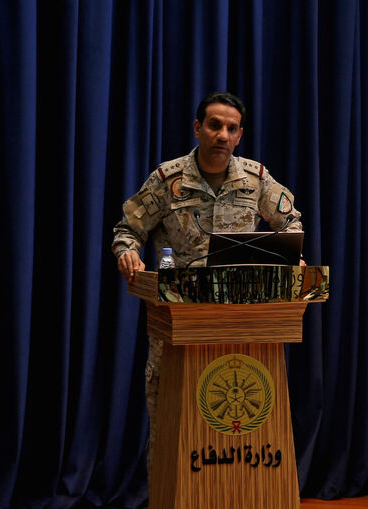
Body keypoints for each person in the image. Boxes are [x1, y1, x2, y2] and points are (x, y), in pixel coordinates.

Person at [112, 91, 303, 471]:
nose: (222, 135)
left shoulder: (255, 179)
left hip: (241, 323)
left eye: (231, 129)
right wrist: (126, 252)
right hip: (180, 319)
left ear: (239, 135)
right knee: (173, 422)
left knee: (241, 416)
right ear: (198, 128)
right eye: (215, 125)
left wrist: (291, 252)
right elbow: (128, 230)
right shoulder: (167, 180)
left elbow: (291, 221)